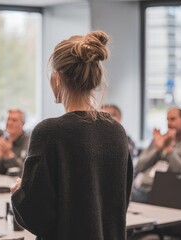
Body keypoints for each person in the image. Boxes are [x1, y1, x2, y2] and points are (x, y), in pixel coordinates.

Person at [10, 31, 133, 239]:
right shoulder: (116, 131)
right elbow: (119, 204)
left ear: (57, 78)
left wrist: (18, 193)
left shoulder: (48, 132)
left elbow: (38, 217)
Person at [132, 107, 181, 203]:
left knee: (120, 193)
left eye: (173, 119)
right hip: (142, 186)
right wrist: (158, 149)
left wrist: (168, 151)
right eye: (167, 119)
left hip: (166, 192)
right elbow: (139, 166)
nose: (169, 123)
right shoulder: (160, 139)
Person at [0, 109, 29, 175]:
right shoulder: (3, 140)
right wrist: (1, 156)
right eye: (8, 119)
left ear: (23, 123)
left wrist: (9, 154)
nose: (9, 123)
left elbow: (26, 171)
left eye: (14, 120)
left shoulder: (28, 142)